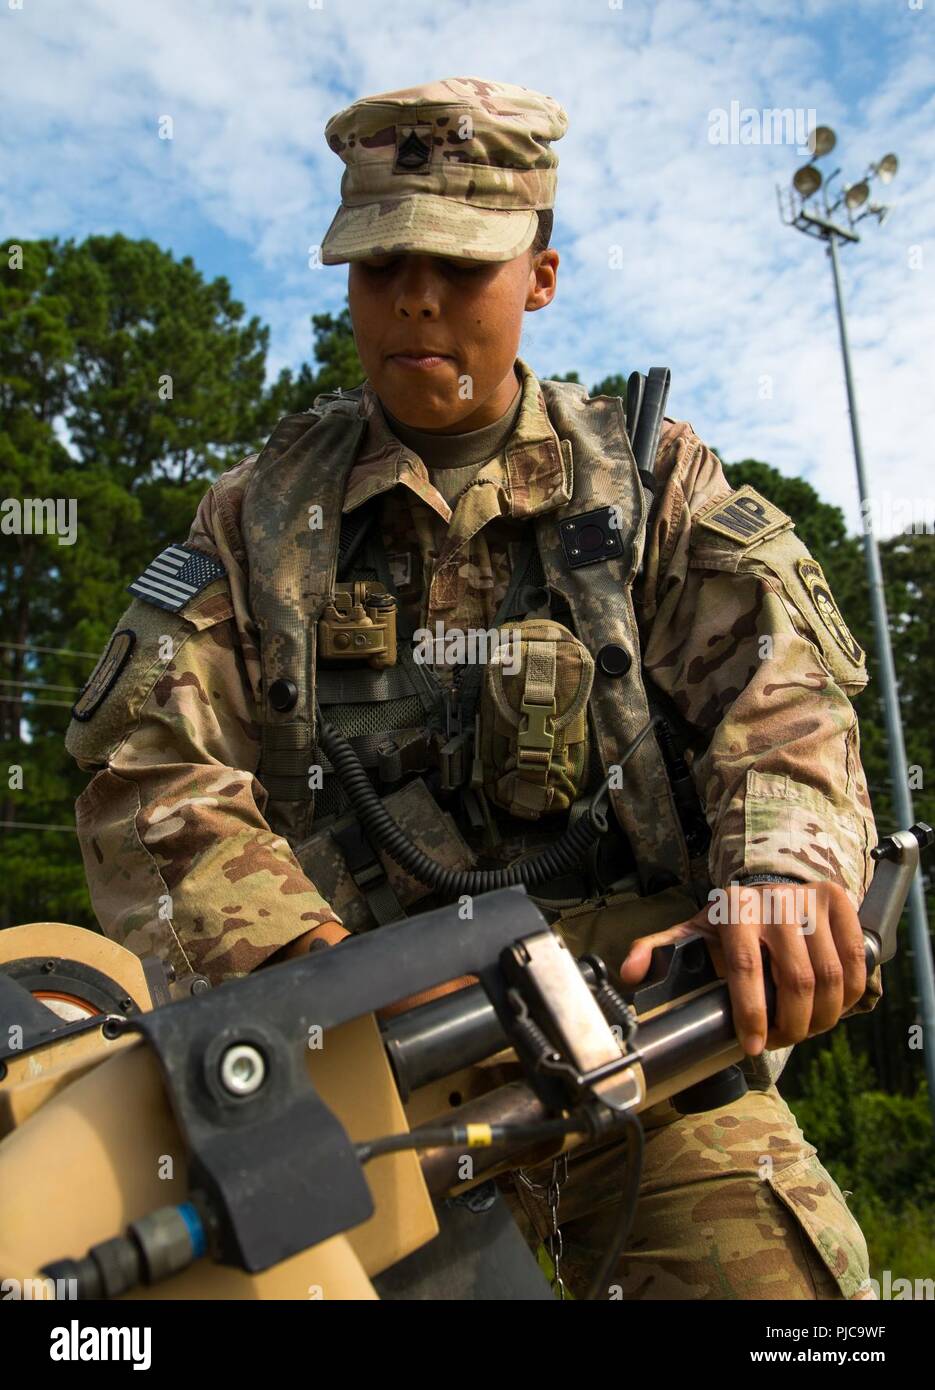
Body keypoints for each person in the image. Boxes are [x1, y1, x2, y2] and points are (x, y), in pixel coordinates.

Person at [66, 76, 880, 1300]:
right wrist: (324, 966)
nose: (413, 297)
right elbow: (145, 769)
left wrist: (782, 863)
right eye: (379, 262)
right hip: (368, 1082)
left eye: (458, 263)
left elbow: (783, 694)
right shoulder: (256, 518)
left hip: (645, 1052)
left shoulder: (646, 480)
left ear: (539, 276)